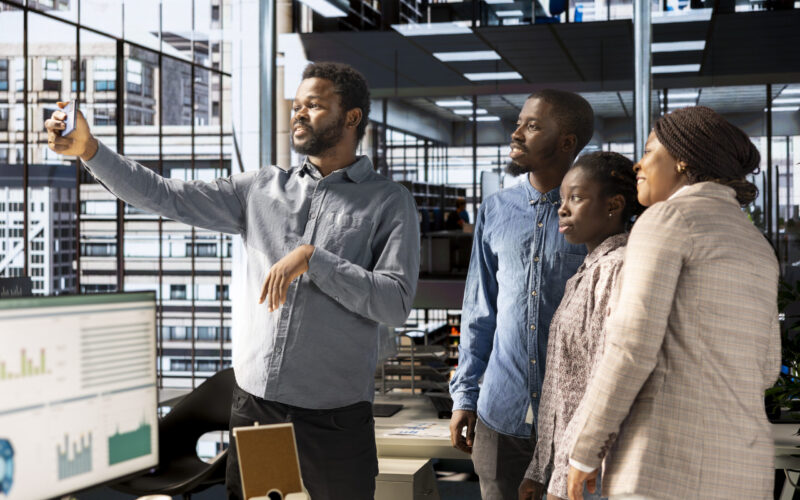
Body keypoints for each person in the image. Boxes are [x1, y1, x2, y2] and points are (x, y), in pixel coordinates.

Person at [44, 62, 420, 500]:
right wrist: (91, 151)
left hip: (334, 420)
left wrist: (314, 259)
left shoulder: (388, 202)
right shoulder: (261, 189)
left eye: (314, 105)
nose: (299, 113)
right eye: (296, 106)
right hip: (258, 410)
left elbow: (394, 302)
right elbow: (166, 195)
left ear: (352, 117)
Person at [566, 106, 781, 500]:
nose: (638, 164)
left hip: (666, 466)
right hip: (747, 469)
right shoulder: (758, 245)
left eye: (649, 151)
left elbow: (631, 347)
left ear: (683, 160)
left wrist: (586, 448)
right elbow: (767, 368)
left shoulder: (668, 218)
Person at [449, 89, 594, 499]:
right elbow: (479, 311)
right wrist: (465, 396)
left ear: (566, 142)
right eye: (518, 123)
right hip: (501, 417)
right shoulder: (495, 209)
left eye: (532, 126)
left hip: (574, 425)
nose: (516, 134)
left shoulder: (596, 216)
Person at [518, 152, 643, 500]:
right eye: (562, 199)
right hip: (570, 469)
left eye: (576, 198)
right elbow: (561, 386)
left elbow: (602, 384)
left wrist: (560, 482)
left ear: (613, 205)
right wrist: (539, 471)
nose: (562, 209)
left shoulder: (616, 269)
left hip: (591, 475)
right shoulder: (589, 269)